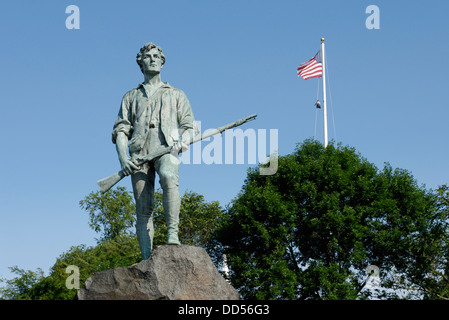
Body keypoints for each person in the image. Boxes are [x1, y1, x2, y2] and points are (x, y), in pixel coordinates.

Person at [112, 42, 197, 260]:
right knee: (143, 206)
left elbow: (189, 126)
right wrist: (123, 159)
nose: (152, 59)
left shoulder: (177, 94)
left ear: (162, 61)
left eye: (156, 56)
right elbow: (121, 130)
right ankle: (146, 258)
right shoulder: (130, 96)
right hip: (139, 154)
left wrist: (183, 141)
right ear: (140, 63)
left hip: (167, 148)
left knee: (169, 177)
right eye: (148, 56)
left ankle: (172, 234)